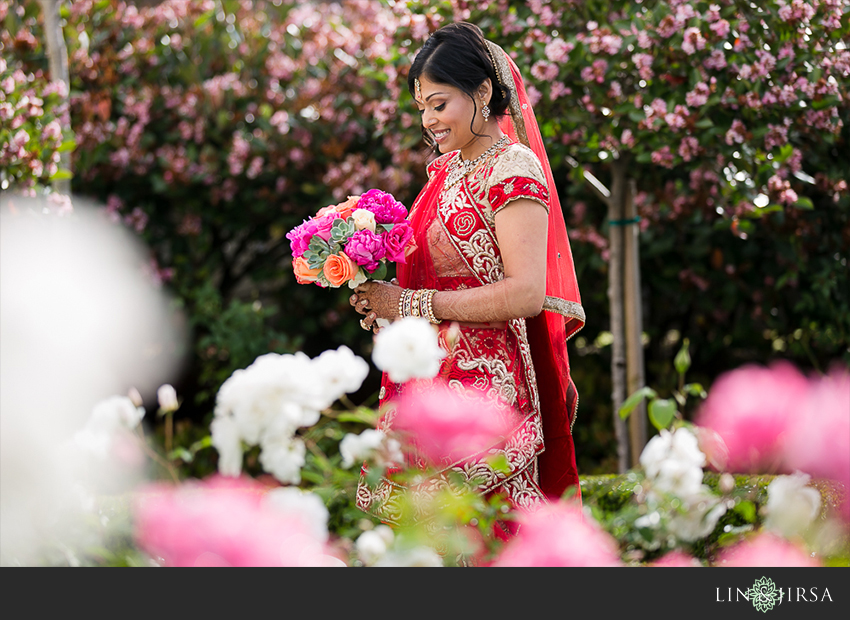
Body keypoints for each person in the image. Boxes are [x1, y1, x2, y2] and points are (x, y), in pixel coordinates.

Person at [349, 22, 585, 534]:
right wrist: (383, 304)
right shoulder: (449, 171)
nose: (428, 120)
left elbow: (526, 292)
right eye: (421, 108)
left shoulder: (512, 168)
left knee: (480, 544)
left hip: (485, 394)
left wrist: (410, 306)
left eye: (439, 103)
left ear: (481, 92)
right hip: (427, 382)